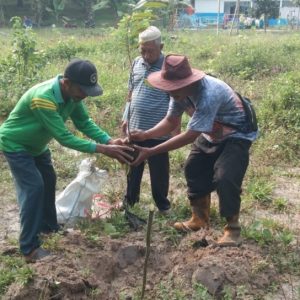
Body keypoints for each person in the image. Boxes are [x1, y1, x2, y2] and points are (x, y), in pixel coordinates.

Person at [0, 58, 133, 262]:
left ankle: (48, 227)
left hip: (37, 146)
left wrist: (109, 140)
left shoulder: (73, 97)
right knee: (33, 187)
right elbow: (64, 137)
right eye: (83, 90)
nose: (85, 96)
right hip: (16, 145)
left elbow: (84, 122)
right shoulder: (43, 98)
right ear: (67, 83)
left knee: (49, 181)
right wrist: (103, 149)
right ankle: (29, 249)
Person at [130, 54, 258, 246]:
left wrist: (150, 151)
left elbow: (190, 135)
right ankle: (199, 219)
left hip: (237, 134)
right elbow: (171, 121)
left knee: (225, 176)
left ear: (189, 82)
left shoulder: (209, 93)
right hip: (211, 133)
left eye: (174, 88)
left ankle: (233, 229)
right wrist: (146, 135)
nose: (171, 92)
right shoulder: (178, 92)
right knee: (193, 167)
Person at [121, 26, 175, 214]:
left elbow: (175, 99)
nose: (145, 55)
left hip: (158, 130)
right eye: (142, 50)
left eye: (150, 51)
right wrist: (126, 117)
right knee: (133, 166)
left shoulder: (169, 67)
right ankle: (130, 202)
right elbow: (131, 92)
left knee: (159, 171)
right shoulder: (136, 62)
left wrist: (173, 127)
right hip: (135, 128)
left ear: (161, 46)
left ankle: (163, 205)